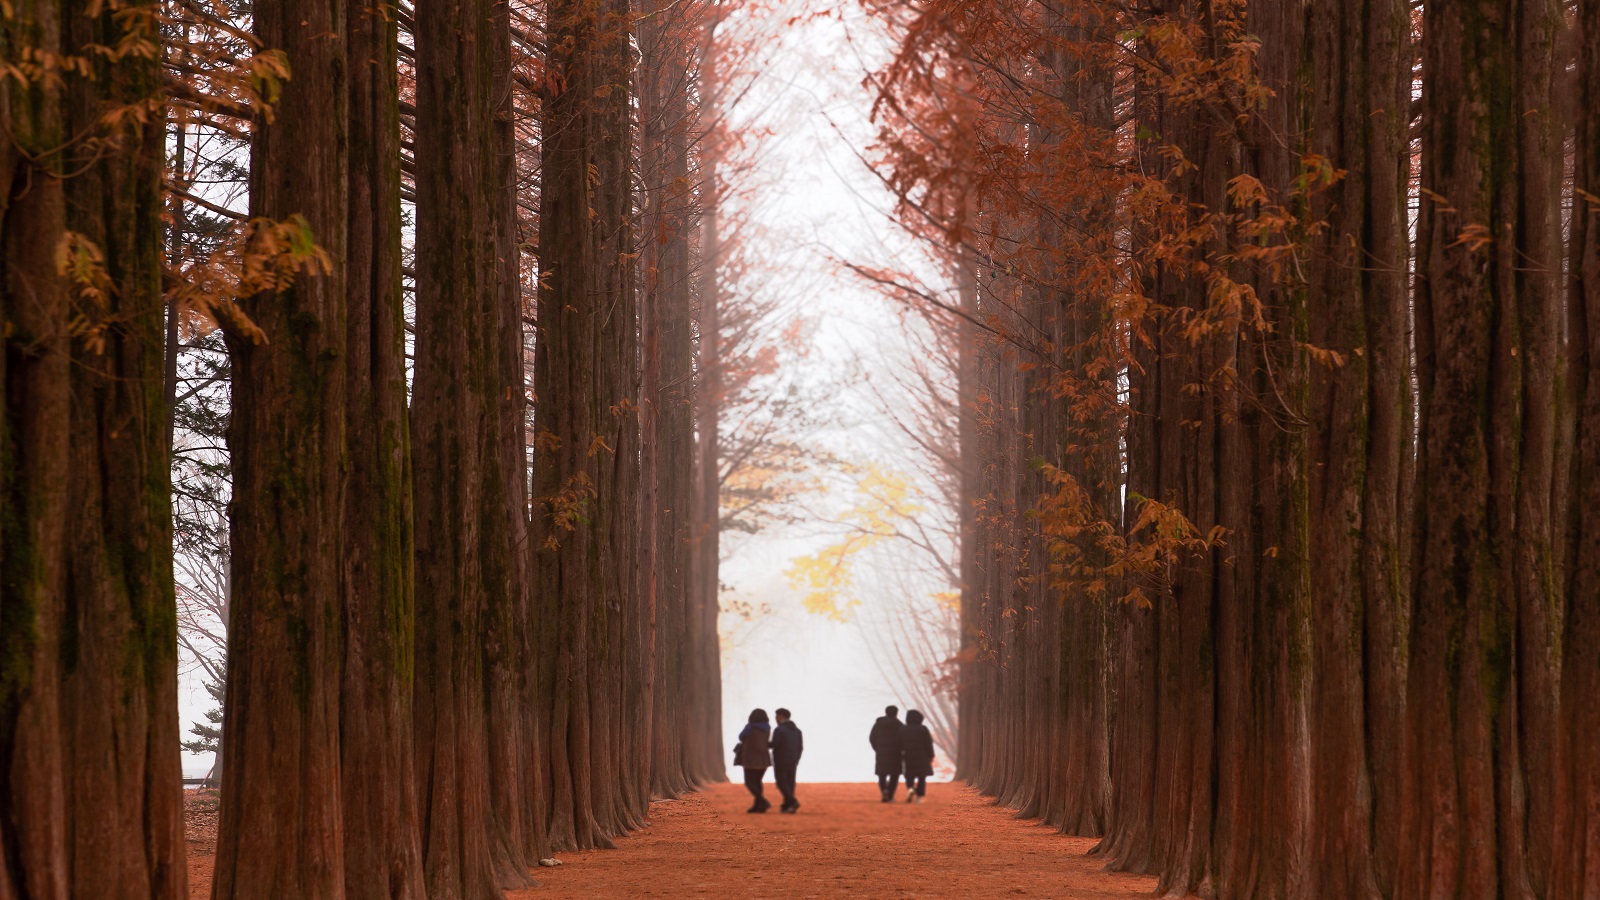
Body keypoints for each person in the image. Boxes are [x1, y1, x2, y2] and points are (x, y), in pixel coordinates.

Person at [733, 708, 773, 813]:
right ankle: (758, 806)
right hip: (763, 759)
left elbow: (741, 737)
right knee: (757, 782)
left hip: (750, 758)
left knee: (749, 782)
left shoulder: (750, 727)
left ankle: (762, 801)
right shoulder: (767, 728)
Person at [770, 708, 804, 813]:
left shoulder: (779, 730)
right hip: (793, 760)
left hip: (781, 759)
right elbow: (800, 747)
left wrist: (762, 744)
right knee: (790, 783)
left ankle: (792, 802)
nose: (775, 718)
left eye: (776, 716)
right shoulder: (797, 731)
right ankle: (787, 805)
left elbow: (775, 744)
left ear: (781, 716)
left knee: (781, 782)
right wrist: (797, 758)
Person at [868, 705, 905, 802]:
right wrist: (901, 750)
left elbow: (872, 737)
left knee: (882, 774)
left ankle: (884, 791)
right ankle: (890, 794)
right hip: (896, 754)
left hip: (881, 753)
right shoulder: (899, 725)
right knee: (895, 774)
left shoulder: (878, 724)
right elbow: (904, 739)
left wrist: (878, 748)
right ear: (896, 713)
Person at [901, 709, 935, 804]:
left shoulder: (903, 729)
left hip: (908, 755)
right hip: (922, 755)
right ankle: (920, 797)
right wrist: (931, 755)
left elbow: (899, 743)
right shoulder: (923, 729)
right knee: (921, 776)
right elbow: (928, 743)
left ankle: (910, 788)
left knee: (909, 775)